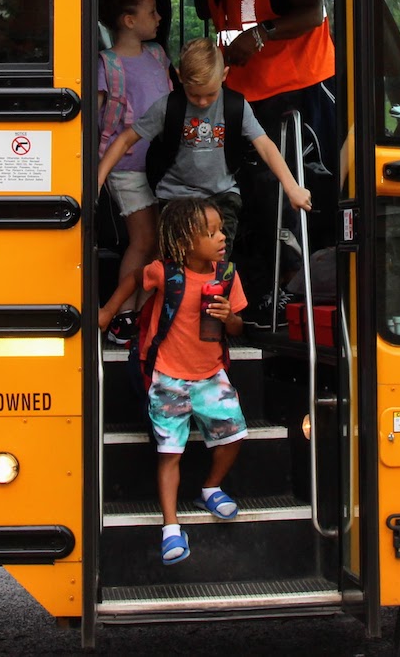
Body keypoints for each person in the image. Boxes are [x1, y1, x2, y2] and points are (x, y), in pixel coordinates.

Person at [96, 38, 310, 336]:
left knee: (215, 260)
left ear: (224, 77)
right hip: (177, 196)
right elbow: (125, 139)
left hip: (221, 195)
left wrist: (292, 187)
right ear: (180, 78)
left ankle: (208, 331)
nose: (201, 102)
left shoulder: (235, 105)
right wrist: (98, 177)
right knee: (171, 265)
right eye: (194, 95)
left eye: (209, 94)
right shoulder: (169, 106)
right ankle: (165, 328)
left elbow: (266, 146)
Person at [196, 0, 336, 315]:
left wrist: (261, 35)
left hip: (295, 95)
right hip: (244, 95)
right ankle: (259, 293)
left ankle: (292, 294)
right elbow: (207, 7)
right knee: (253, 201)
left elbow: (312, 11)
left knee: (285, 199)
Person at [98, 197, 249, 565]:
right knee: (169, 453)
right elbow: (136, 278)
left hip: (211, 375)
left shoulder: (226, 276)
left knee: (234, 435)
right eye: (210, 232)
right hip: (168, 377)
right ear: (184, 242)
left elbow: (239, 329)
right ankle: (170, 527)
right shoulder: (167, 273)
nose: (221, 237)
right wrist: (107, 311)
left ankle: (211, 488)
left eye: (221, 229)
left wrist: (229, 316)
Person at [95, 0, 173, 343]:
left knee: (160, 241)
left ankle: (142, 312)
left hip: (160, 164)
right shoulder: (107, 65)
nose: (159, 18)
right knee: (141, 240)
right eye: (151, 11)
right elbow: (94, 120)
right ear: (128, 21)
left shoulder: (157, 55)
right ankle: (122, 316)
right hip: (125, 165)